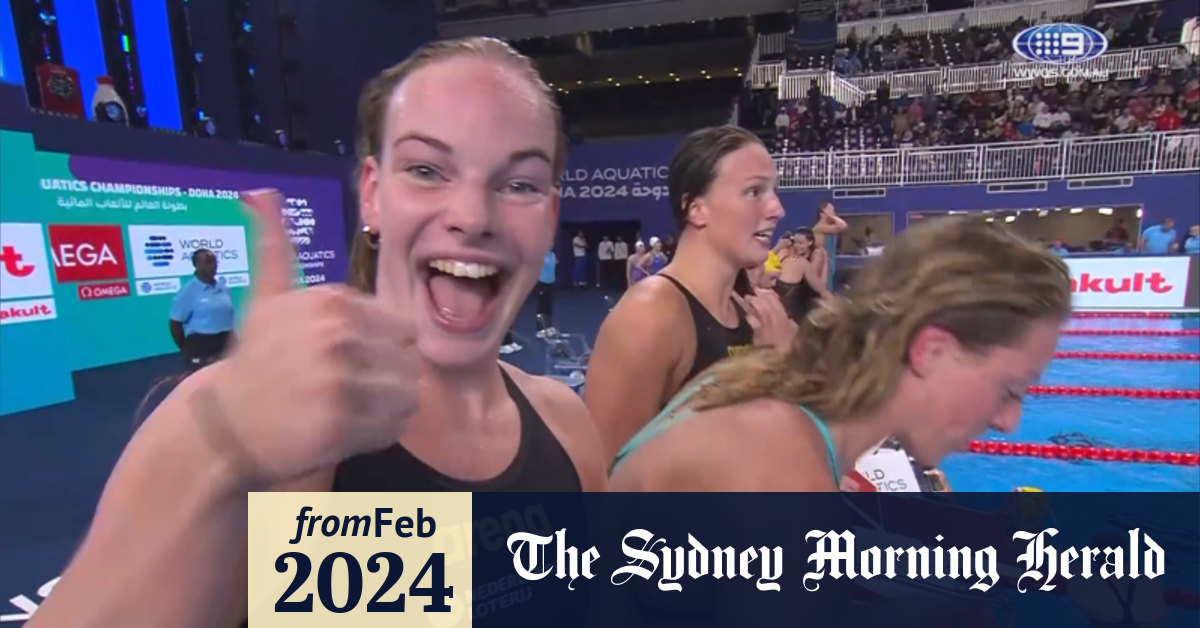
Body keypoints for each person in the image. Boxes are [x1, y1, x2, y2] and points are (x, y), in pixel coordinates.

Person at [28, 36, 607, 628]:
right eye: (427, 170)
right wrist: (219, 453)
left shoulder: (566, 426)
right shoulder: (248, 425)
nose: (474, 216)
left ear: (550, 218)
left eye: (520, 185)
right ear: (374, 195)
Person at [609, 216, 1072, 491]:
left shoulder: (770, 393)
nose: (1009, 421)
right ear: (932, 351)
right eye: (1011, 388)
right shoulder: (781, 466)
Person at [586, 125, 795, 464]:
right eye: (754, 191)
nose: (777, 209)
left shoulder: (751, 313)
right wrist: (772, 374)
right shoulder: (652, 315)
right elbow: (603, 481)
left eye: (773, 191)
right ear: (696, 209)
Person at [169, 248, 236, 371]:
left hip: (226, 342)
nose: (213, 266)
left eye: (214, 262)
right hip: (201, 345)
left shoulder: (224, 289)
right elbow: (175, 324)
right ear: (196, 265)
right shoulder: (188, 291)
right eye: (208, 262)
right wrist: (188, 350)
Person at [774, 228, 833, 322]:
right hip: (790, 305)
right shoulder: (788, 256)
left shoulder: (814, 256)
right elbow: (767, 264)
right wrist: (778, 247)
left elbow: (816, 282)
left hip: (807, 300)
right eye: (795, 243)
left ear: (810, 243)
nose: (797, 246)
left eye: (800, 243)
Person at [536, 248, 557, 336]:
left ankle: (548, 326)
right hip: (542, 283)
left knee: (548, 306)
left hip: (551, 283)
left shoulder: (552, 254)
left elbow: (555, 263)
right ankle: (540, 329)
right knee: (542, 307)